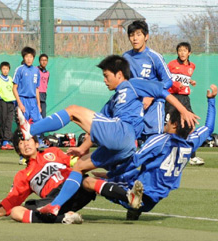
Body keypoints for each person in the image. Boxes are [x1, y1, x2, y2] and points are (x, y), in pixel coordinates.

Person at [17, 55, 198, 216]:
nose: (104, 80)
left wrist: (183, 111)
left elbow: (162, 91)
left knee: (72, 110)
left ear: (119, 74)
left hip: (123, 132)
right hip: (123, 146)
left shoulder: (132, 84)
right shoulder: (112, 102)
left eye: (106, 76)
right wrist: (82, 148)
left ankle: (29, 130)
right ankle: (55, 206)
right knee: (79, 167)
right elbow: (96, 129)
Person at [84, 84, 217, 220]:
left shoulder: (161, 140)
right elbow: (209, 127)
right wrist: (211, 100)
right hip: (155, 197)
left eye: (168, 119)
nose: (166, 121)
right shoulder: (191, 142)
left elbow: (134, 161)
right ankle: (135, 210)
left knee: (87, 182)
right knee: (134, 174)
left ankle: (67, 207)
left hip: (140, 192)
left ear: (175, 125)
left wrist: (110, 174)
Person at [0, 129, 143, 224]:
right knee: (16, 212)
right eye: (21, 143)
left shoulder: (53, 152)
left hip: (72, 189)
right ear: (18, 150)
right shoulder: (22, 175)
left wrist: (93, 153)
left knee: (87, 180)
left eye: (28, 140)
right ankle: (66, 218)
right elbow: (10, 202)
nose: (26, 144)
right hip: (53, 201)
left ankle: (129, 197)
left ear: (36, 142)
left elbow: (77, 162)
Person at [123, 20, 173, 139]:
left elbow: (168, 81)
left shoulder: (154, 57)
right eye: (132, 35)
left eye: (138, 34)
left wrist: (151, 96)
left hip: (154, 104)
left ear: (146, 37)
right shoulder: (126, 57)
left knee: (153, 140)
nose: (135, 38)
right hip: (135, 105)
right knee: (131, 140)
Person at [165, 42, 204, 166]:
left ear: (189, 53)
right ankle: (166, 154)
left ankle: (192, 156)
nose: (182, 53)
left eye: (184, 50)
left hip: (185, 99)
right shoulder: (171, 64)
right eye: (180, 50)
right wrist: (176, 85)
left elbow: (183, 77)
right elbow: (167, 78)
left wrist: (190, 81)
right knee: (170, 126)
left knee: (191, 125)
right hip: (173, 98)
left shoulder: (192, 66)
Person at [13, 47, 42, 161]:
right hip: (23, 100)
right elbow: (14, 88)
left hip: (33, 102)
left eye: (31, 57)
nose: (29, 59)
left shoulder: (36, 71)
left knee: (38, 125)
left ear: (33, 58)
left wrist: (38, 105)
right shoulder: (20, 70)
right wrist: (19, 103)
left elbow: (37, 89)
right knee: (23, 128)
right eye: (26, 57)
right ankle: (22, 156)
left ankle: (36, 154)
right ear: (23, 58)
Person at [0, 61, 15, 150]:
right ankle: (4, 141)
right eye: (3, 69)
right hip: (2, 103)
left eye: (7, 69)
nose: (5, 71)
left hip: (11, 103)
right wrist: (3, 97)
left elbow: (13, 90)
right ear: (1, 69)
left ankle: (7, 140)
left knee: (9, 122)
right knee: (3, 121)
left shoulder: (10, 79)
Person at [37, 54, 50, 119]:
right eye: (42, 60)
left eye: (45, 60)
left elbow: (46, 83)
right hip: (36, 94)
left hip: (43, 95)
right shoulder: (36, 70)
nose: (44, 62)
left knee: (43, 116)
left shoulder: (48, 73)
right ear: (39, 61)